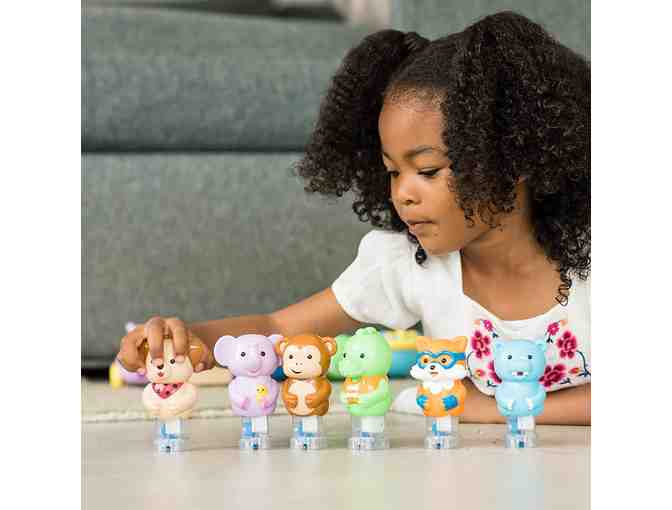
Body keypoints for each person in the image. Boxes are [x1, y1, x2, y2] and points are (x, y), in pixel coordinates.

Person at [117, 11, 590, 425]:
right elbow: (278, 325)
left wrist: (489, 409)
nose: (403, 194)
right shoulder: (409, 264)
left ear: (514, 158)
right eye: (392, 172)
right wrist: (191, 337)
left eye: (428, 170)